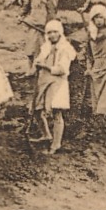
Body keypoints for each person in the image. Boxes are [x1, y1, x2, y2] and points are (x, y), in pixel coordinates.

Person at [31, 20, 76, 154]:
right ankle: (46, 134)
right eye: (49, 32)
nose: (52, 35)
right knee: (37, 109)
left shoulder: (65, 49)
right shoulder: (46, 47)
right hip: (44, 80)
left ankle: (56, 144)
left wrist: (44, 66)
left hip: (58, 82)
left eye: (55, 32)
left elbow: (62, 69)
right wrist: (36, 65)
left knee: (56, 112)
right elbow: (38, 60)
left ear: (60, 32)